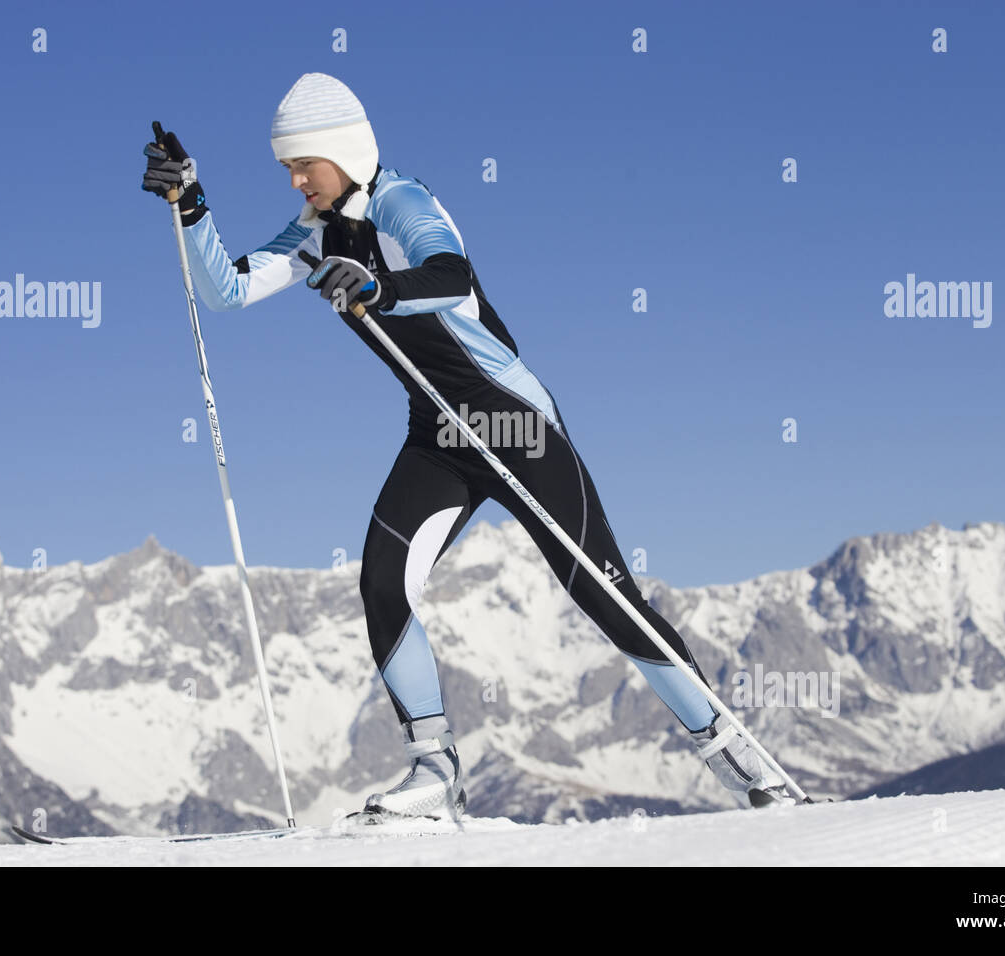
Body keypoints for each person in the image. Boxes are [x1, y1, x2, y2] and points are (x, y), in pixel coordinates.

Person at [142, 72, 793, 819]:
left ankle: (743, 766)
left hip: (511, 421)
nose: (294, 180)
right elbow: (226, 290)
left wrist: (380, 288)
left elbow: (451, 278)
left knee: (603, 592)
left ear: (344, 152)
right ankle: (435, 774)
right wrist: (190, 206)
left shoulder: (401, 201)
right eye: (284, 167)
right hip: (439, 435)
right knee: (383, 583)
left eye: (304, 165)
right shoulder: (315, 232)